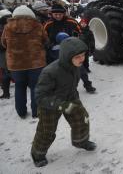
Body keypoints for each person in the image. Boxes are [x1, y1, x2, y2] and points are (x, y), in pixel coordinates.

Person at [31, 37, 96, 167]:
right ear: (67, 56)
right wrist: (61, 105)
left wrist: (75, 101)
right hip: (49, 106)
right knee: (46, 131)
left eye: (83, 55)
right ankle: (38, 154)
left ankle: (80, 141)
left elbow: (72, 85)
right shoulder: (50, 72)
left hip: (70, 98)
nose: (82, 59)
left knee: (82, 118)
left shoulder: (75, 66)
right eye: (78, 56)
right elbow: (40, 96)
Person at [1, 5, 48, 118]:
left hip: (16, 65)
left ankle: (21, 113)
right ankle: (36, 112)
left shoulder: (8, 27)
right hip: (36, 63)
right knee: (36, 87)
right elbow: (45, 40)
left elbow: (3, 43)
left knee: (19, 87)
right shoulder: (37, 25)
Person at [0, 8, 12, 99]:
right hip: (4, 52)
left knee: (6, 72)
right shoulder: (4, 27)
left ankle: (6, 93)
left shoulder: (10, 26)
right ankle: (6, 92)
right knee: (5, 72)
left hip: (7, 52)